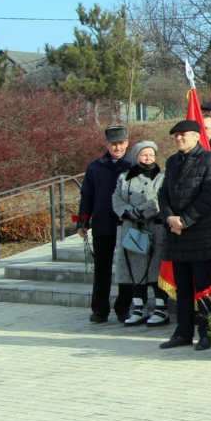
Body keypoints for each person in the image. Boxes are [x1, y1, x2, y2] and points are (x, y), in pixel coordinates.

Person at [157, 120, 211, 350]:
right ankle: (183, 333)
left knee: (204, 287)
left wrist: (184, 220)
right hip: (177, 235)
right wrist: (169, 218)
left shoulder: (209, 159)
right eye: (176, 135)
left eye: (183, 134)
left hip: (200, 234)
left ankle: (206, 333)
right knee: (183, 287)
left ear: (197, 136)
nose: (178, 138)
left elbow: (209, 195)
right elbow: (163, 193)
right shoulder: (172, 161)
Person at [78, 125, 134, 324]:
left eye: (121, 143)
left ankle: (123, 308)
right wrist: (83, 221)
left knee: (126, 269)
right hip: (102, 224)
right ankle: (100, 310)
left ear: (127, 143)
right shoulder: (95, 166)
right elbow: (87, 195)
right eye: (113, 144)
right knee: (101, 270)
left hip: (126, 225)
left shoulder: (133, 165)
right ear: (107, 144)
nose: (117, 148)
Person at [111, 141, 168, 327]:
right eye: (144, 154)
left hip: (154, 230)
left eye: (151, 154)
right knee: (133, 270)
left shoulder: (163, 177)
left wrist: (141, 212)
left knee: (155, 269)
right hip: (131, 231)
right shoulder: (124, 177)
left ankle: (161, 308)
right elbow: (116, 198)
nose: (148, 158)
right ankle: (139, 308)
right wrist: (128, 212)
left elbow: (161, 199)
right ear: (136, 156)